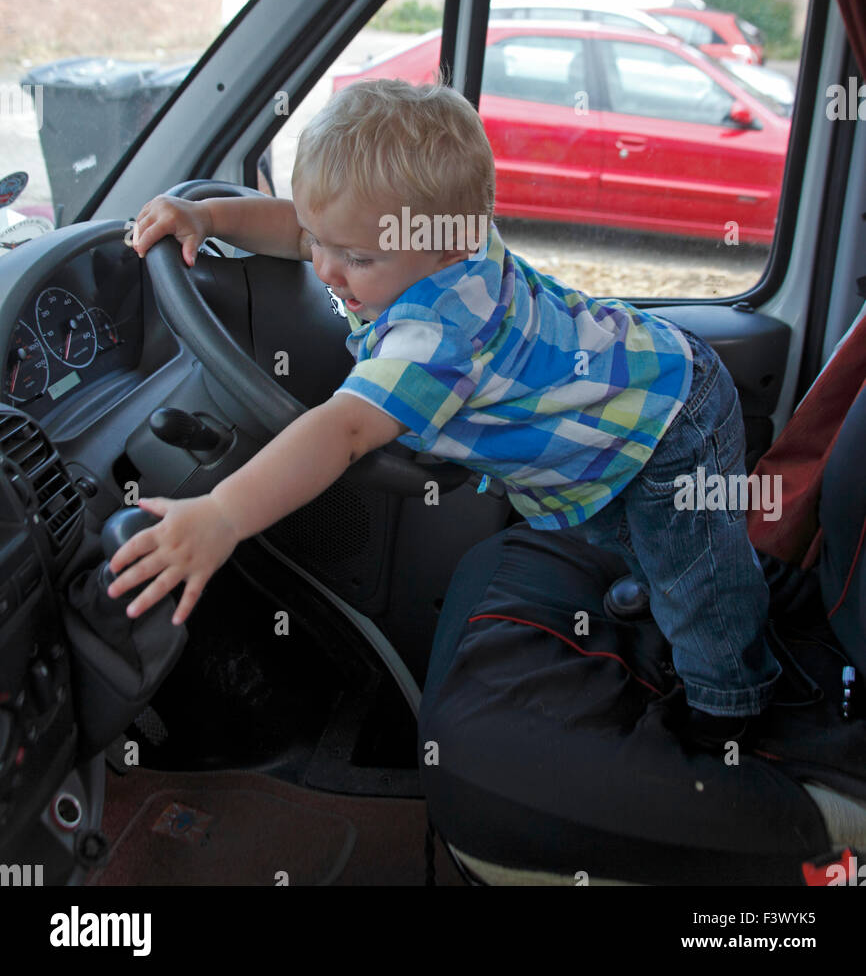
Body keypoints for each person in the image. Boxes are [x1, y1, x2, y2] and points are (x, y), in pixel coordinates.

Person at [114, 75, 780, 749]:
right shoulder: (428, 237)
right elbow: (303, 227)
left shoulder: (437, 340)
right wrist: (208, 217)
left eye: (356, 259)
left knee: (695, 567)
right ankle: (662, 588)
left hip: (667, 419)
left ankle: (728, 700)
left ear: (447, 244)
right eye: (320, 242)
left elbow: (341, 431)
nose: (324, 270)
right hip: (621, 416)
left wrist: (224, 513)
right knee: (634, 540)